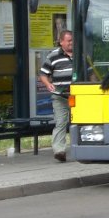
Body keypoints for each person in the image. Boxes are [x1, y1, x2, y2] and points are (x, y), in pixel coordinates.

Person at [38, 29, 74, 162]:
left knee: (81, 122)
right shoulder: (53, 56)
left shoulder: (81, 54)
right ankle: (59, 150)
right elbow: (43, 74)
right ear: (61, 42)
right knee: (61, 122)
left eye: (73, 40)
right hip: (60, 96)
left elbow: (89, 72)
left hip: (79, 96)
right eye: (69, 40)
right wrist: (48, 84)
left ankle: (82, 147)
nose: (72, 43)